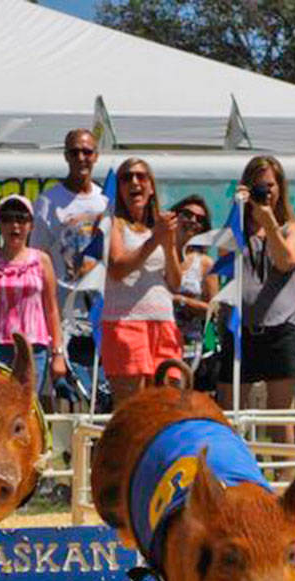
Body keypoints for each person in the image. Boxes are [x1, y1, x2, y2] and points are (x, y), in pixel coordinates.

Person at [217, 155, 295, 443]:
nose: (264, 193)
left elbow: (286, 260)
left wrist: (268, 222)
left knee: (279, 416)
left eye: (269, 186)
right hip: (240, 328)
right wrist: (238, 210)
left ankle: (285, 482)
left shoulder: (292, 228)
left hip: (283, 328)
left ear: (280, 188)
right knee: (231, 414)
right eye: (258, 187)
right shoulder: (237, 231)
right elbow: (222, 257)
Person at [98, 159, 181, 404]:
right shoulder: (112, 222)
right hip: (125, 322)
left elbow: (175, 282)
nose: (135, 182)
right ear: (119, 188)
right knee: (133, 405)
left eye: (141, 177)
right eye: (127, 178)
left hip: (163, 321)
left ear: (151, 187)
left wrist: (167, 244)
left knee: (167, 400)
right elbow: (117, 268)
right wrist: (155, 240)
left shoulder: (160, 227)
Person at [31, 129, 109, 375]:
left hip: (101, 310)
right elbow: (37, 259)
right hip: (63, 314)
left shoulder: (106, 200)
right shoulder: (48, 202)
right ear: (66, 156)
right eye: (74, 152)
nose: (81, 158)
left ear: (96, 156)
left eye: (87, 152)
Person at [0, 195, 65, 395]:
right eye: (7, 218)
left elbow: (51, 309)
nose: (15, 225)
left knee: (26, 405)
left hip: (34, 348)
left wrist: (58, 353)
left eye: (21, 219)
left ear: (30, 225)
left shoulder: (42, 260)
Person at [169, 194, 218, 385]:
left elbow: (213, 309)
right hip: (158, 336)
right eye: (187, 214)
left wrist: (181, 301)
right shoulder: (158, 255)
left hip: (190, 346)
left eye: (200, 219)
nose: (193, 221)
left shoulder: (205, 264)